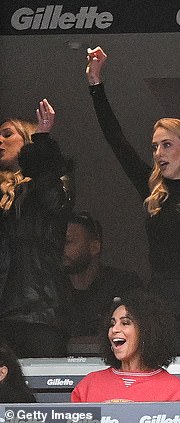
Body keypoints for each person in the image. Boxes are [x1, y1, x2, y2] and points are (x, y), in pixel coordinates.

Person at [85, 46, 180, 354]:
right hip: (160, 304)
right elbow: (117, 142)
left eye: (166, 145)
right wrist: (95, 86)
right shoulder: (155, 192)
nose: (158, 154)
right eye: (155, 147)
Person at [0, 99, 71, 358]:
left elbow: (54, 202)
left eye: (8, 134)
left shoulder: (47, 182)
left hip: (37, 311)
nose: (0, 140)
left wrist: (41, 142)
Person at [71, 289, 180, 402]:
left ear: (147, 331)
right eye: (112, 324)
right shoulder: (89, 384)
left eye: (125, 323)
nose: (114, 329)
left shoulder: (173, 389)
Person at [61, 211, 143, 339]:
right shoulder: (51, 289)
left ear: (94, 247)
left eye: (67, 241)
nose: (60, 248)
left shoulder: (123, 285)